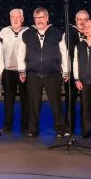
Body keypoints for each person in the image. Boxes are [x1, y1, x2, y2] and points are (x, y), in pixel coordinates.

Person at [16, 7, 71, 139]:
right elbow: (21, 53)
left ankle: (60, 129)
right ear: (34, 19)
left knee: (56, 103)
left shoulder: (57, 33)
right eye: (37, 18)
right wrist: (21, 70)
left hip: (52, 73)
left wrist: (66, 71)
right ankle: (32, 130)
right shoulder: (27, 34)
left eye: (42, 17)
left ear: (47, 18)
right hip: (33, 73)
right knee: (33, 104)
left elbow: (64, 53)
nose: (39, 20)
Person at [0, 8, 29, 133]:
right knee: (8, 100)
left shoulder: (28, 32)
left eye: (18, 17)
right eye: (13, 17)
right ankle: (7, 125)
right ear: (10, 19)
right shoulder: (3, 31)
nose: (15, 19)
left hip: (24, 71)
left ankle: (25, 126)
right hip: (8, 71)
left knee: (25, 100)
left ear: (22, 19)